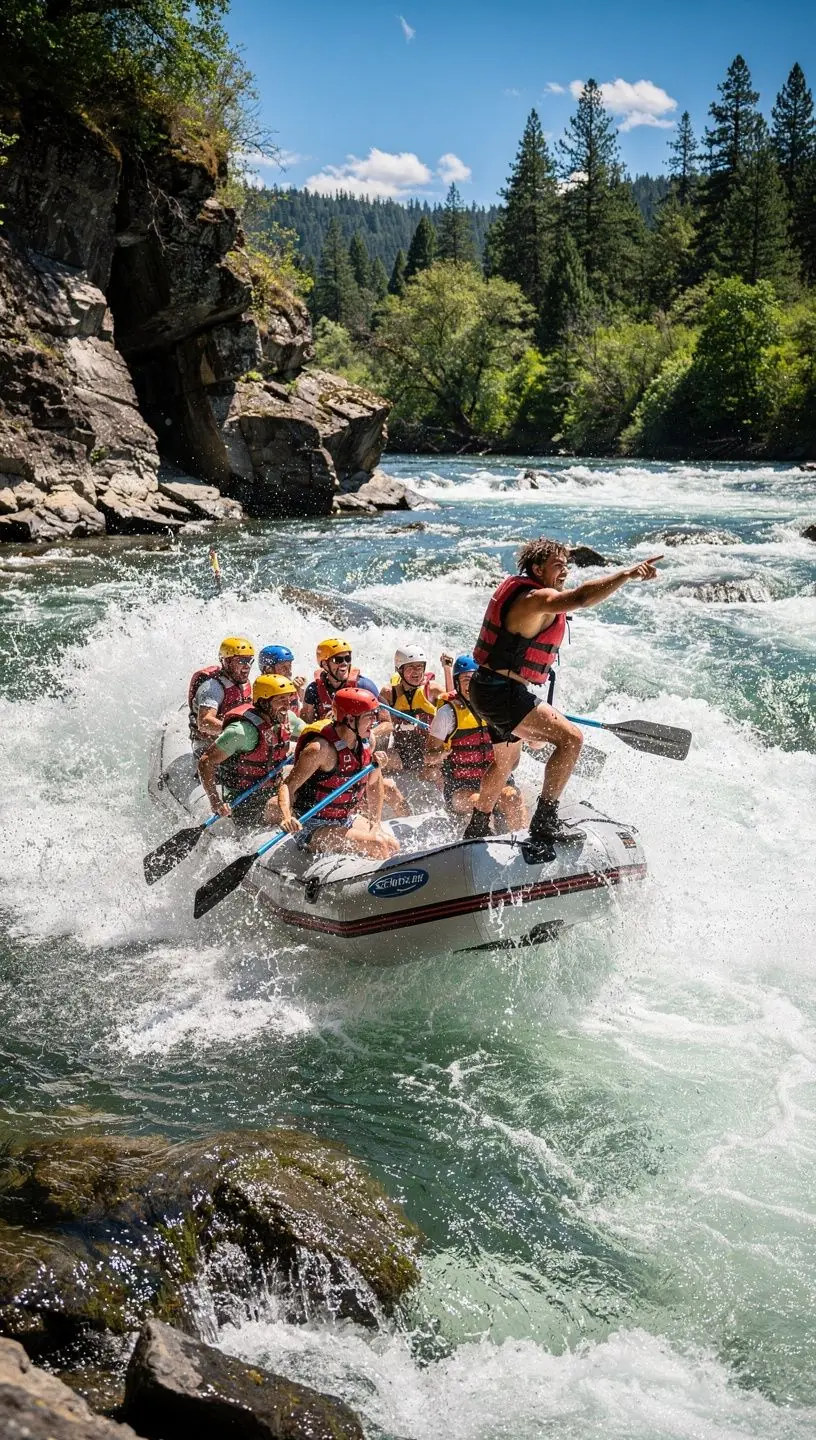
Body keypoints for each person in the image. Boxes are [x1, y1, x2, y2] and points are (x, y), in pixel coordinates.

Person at [464, 537, 662, 855]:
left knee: (506, 763)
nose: (565, 571)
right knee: (571, 740)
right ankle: (545, 821)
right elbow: (582, 598)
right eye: (558, 566)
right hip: (501, 693)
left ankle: (477, 826)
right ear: (537, 568)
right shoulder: (534, 597)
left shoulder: (529, 592)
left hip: (487, 688)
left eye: (567, 566)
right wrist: (626, 575)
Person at [278, 687, 399, 859]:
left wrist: (375, 822)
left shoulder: (367, 741)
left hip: (345, 819)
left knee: (393, 845)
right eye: (368, 716)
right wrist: (287, 817)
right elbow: (287, 786)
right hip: (312, 826)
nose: (374, 721)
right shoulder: (319, 749)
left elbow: (373, 785)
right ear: (349, 718)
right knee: (377, 845)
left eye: (374, 715)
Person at [425, 655, 526, 831]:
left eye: (476, 679)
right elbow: (428, 757)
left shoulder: (500, 709)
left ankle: (523, 841)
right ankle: (482, 837)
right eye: (466, 680)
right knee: (479, 801)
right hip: (461, 787)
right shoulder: (447, 713)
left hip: (497, 780)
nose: (471, 684)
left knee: (512, 798)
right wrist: (440, 755)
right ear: (457, 683)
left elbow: (523, 741)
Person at [197, 674, 297, 829]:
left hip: (272, 787)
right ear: (264, 703)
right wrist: (215, 801)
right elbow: (206, 761)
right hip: (244, 800)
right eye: (280, 700)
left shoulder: (285, 718)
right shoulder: (242, 731)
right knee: (281, 805)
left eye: (288, 699)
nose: (287, 705)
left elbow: (310, 733)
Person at [378, 645, 446, 775]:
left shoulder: (433, 690)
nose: (416, 672)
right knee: (381, 761)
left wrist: (447, 670)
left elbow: (454, 709)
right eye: (410, 667)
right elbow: (384, 725)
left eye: (419, 667)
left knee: (432, 773)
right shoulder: (389, 693)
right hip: (401, 751)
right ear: (400, 670)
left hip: (429, 753)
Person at [188, 637, 254, 756]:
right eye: (241, 661)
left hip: (234, 741)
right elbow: (204, 722)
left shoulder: (243, 684)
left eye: (249, 660)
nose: (247, 666)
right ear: (226, 662)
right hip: (207, 744)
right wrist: (236, 733)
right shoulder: (213, 687)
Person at [300, 637, 380, 724]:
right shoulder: (313, 690)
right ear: (325, 664)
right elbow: (306, 723)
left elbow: (386, 723)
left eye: (347, 658)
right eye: (338, 660)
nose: (344, 663)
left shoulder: (364, 686)